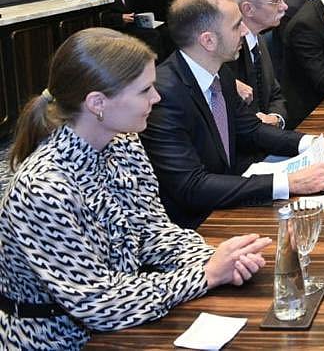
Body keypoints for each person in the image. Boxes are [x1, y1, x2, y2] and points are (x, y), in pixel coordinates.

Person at [0, 28, 271, 349]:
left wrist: (221, 259)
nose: (157, 98)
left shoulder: (124, 142)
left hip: (127, 317)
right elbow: (98, 304)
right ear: (97, 103)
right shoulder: (43, 189)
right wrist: (206, 274)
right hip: (58, 340)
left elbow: (152, 232)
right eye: (144, 90)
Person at [141, 0, 324, 229]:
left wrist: (314, 143)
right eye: (236, 26)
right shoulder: (164, 95)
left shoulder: (219, 72)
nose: (244, 31)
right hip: (198, 225)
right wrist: (289, 182)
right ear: (208, 40)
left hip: (229, 202)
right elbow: (191, 186)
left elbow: (252, 129)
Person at [229, 0, 289, 128]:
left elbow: (275, 93)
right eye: (275, 1)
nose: (284, 6)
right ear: (248, 9)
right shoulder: (228, 52)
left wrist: (276, 118)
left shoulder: (259, 39)